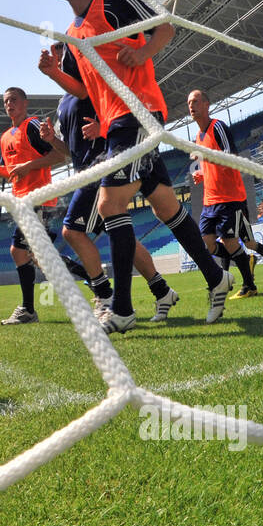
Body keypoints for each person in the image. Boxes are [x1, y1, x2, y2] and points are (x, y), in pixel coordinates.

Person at [38, 0, 231, 333]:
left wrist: (142, 51)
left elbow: (166, 26)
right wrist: (54, 74)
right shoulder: (72, 33)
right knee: (164, 206)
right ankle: (215, 276)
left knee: (111, 205)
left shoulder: (111, 1)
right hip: (115, 125)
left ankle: (122, 309)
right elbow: (84, 90)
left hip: (139, 113)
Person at [44, 59, 179, 327]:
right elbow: (69, 153)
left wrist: (102, 129)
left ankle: (105, 296)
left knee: (73, 231)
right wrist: (51, 141)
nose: (59, 56)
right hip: (84, 170)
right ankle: (162, 291)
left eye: (63, 50)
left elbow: (115, 118)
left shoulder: (90, 84)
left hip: (102, 166)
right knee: (122, 235)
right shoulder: (63, 104)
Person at [0, 87, 62, 325]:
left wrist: (29, 165)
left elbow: (58, 157)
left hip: (39, 199)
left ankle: (28, 309)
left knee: (21, 252)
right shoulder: (6, 137)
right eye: (6, 101)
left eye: (13, 100)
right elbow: (13, 174)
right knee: (38, 257)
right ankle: (97, 283)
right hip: (21, 202)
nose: (9, 104)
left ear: (25, 103)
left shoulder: (33, 126)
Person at [188, 89, 263, 299]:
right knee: (207, 245)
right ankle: (243, 261)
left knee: (231, 243)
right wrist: (200, 173)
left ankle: (250, 286)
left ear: (207, 104)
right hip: (210, 201)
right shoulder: (197, 137)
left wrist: (205, 158)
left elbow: (230, 158)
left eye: (196, 101)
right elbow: (209, 165)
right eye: (189, 103)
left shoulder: (217, 126)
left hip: (230, 199)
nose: (191, 105)